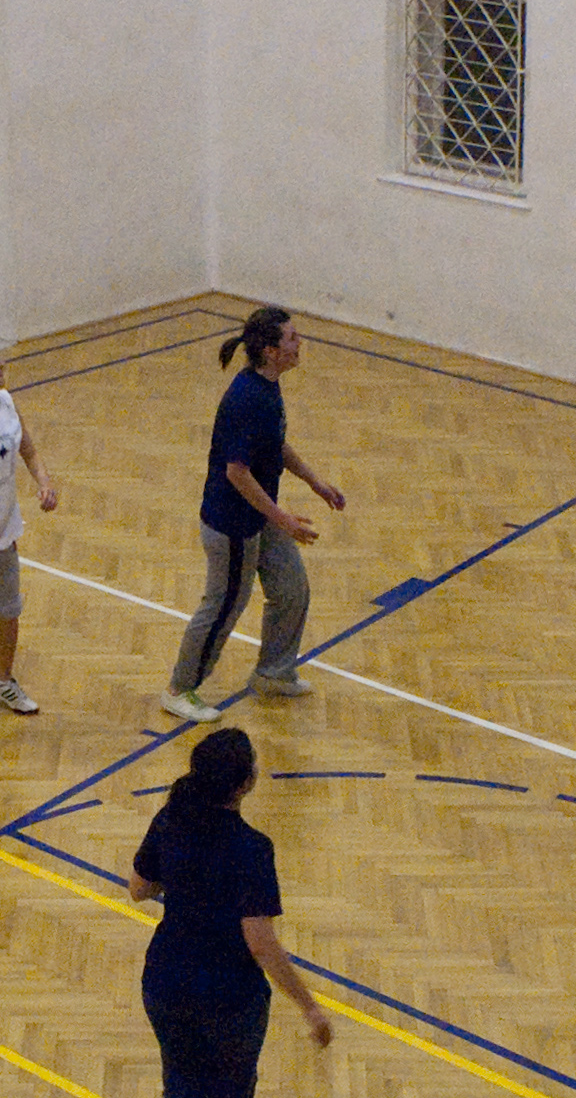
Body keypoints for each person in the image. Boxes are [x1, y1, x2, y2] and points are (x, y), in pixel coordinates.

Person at [161, 307, 345, 724]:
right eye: (292, 338)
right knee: (224, 605)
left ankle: (273, 673)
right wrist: (283, 518)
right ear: (271, 351)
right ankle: (179, 689)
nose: (300, 343)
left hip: (260, 515)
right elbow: (236, 472)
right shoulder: (248, 399)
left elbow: (275, 444)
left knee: (291, 588)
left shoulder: (268, 388)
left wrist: (315, 482)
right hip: (232, 525)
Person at [130, 728, 332, 1097]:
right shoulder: (252, 849)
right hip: (228, 996)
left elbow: (139, 889)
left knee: (180, 1083)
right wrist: (310, 1008)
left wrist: (183, 875)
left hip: (166, 980)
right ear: (243, 785)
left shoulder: (170, 818)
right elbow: (261, 944)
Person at [0, 356, 58, 714]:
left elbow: (30, 451)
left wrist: (44, 482)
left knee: (8, 610)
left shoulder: (7, 403)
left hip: (4, 531)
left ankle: (4, 681)